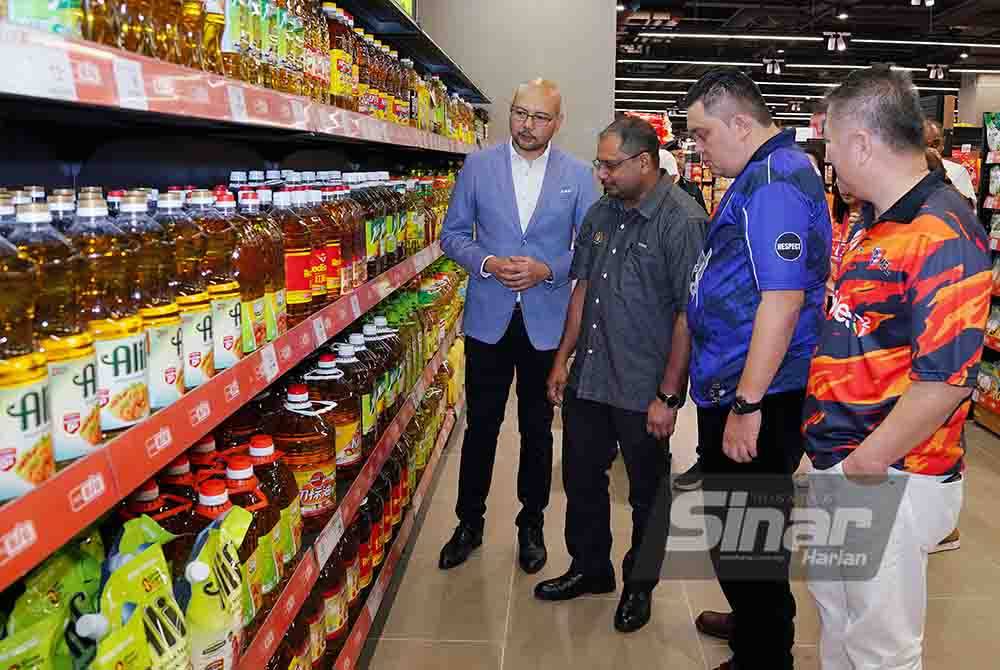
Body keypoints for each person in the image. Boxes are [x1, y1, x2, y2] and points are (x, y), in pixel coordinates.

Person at [805, 67, 989, 670]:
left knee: (881, 644)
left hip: (891, 473)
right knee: (839, 616)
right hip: (852, 462)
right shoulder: (877, 220)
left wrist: (866, 462)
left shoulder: (941, 231)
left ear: (860, 142)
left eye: (830, 143)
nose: (828, 158)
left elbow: (945, 381)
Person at [683, 67, 831, 670]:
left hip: (758, 390)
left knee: (748, 537)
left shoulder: (771, 183)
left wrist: (746, 406)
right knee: (747, 529)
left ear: (741, 123)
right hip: (746, 380)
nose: (698, 147)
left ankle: (765, 655)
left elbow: (782, 298)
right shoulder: (765, 173)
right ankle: (753, 621)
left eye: (702, 134)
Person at [538, 116, 705, 633]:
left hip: (643, 385)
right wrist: (562, 358)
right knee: (581, 478)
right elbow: (582, 289)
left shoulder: (682, 222)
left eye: (610, 165)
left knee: (648, 493)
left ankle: (640, 584)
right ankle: (591, 567)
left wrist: (669, 396)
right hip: (590, 375)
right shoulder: (600, 214)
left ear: (644, 163)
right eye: (599, 164)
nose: (602, 174)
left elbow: (687, 314)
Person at [439, 79, 598, 574]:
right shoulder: (478, 166)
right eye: (520, 114)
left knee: (536, 430)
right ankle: (469, 522)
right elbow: (451, 235)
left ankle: (531, 524)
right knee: (481, 427)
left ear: (558, 122)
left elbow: (590, 249)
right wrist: (486, 262)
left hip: (545, 323)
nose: (528, 126)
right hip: (489, 319)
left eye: (540, 117)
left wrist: (546, 269)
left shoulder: (577, 175)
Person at [923, 119, 978, 208]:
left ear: (943, 143)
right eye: (925, 145)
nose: (930, 150)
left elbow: (969, 209)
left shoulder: (957, 171)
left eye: (935, 144)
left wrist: (944, 177)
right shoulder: (903, 170)